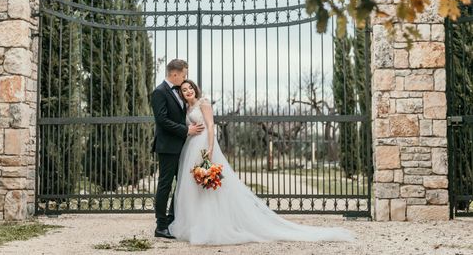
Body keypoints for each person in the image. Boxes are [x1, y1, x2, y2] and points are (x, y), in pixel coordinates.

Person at [168, 79, 355, 244]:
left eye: (190, 87)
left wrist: (209, 148)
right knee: (196, 188)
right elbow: (191, 125)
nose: (188, 91)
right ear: (182, 94)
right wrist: (190, 127)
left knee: (212, 187)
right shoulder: (188, 108)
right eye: (184, 90)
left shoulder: (204, 103)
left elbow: (210, 125)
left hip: (203, 144)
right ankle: (197, 224)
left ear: (195, 89)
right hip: (191, 145)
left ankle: (214, 225)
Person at [150, 59, 204, 239]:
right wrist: (186, 130)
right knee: (165, 185)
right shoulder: (159, 92)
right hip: (167, 147)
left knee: (181, 184)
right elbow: (162, 120)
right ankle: (161, 225)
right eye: (184, 75)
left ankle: (173, 220)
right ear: (175, 74)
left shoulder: (179, 93)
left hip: (182, 146)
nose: (185, 78)